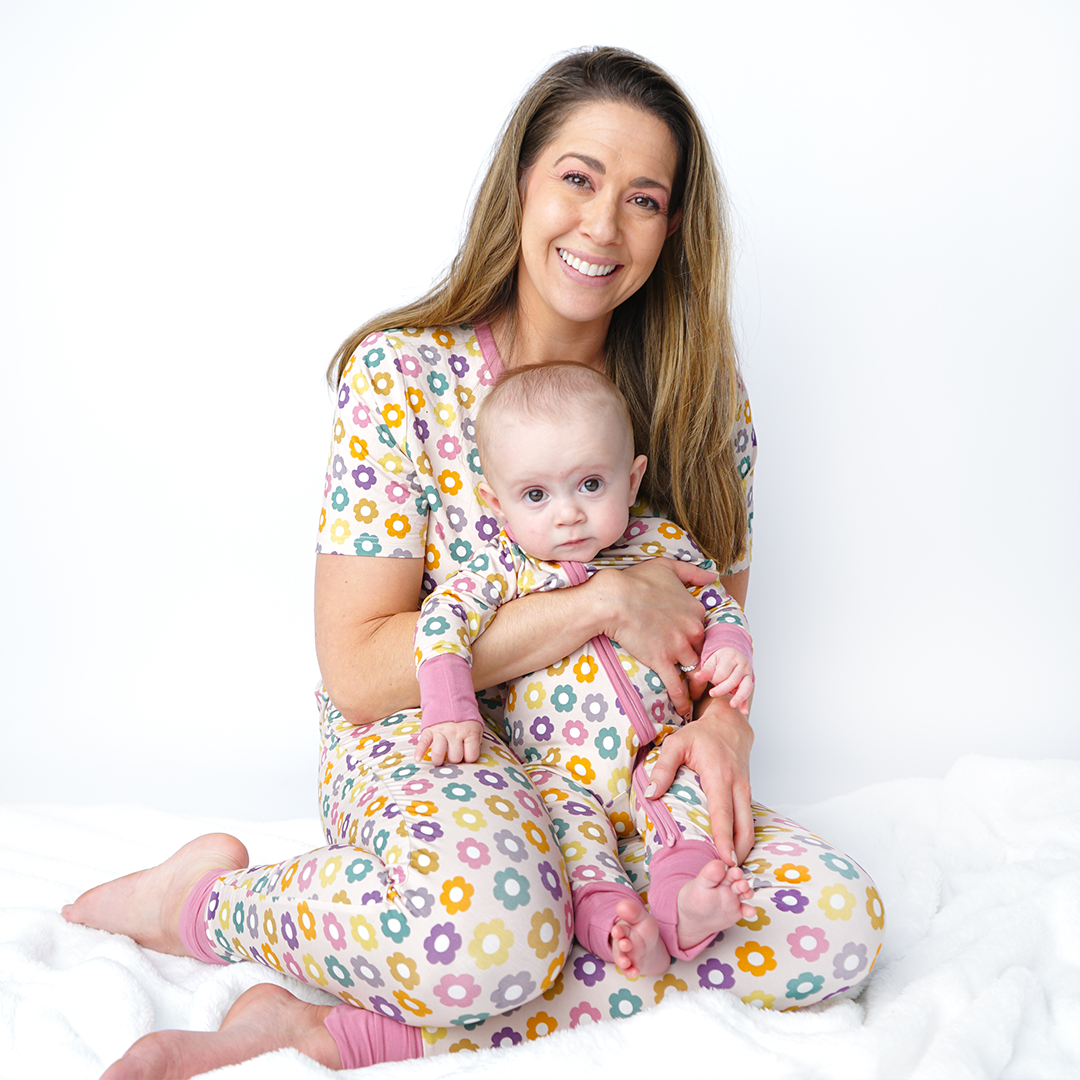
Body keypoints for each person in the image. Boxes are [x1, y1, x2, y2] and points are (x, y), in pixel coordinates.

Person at [62, 46, 885, 1078]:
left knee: (832, 927)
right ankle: (197, 905)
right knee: (495, 930)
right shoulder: (403, 376)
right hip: (435, 740)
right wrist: (600, 604)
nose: (601, 226)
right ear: (523, 184)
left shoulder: (700, 405)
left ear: (673, 228)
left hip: (619, 775)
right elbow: (360, 669)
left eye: (643, 199)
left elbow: (709, 632)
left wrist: (724, 728)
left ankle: (321, 1031)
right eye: (577, 179)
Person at [414, 361, 758, 979]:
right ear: (496, 503)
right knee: (573, 846)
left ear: (632, 480)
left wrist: (729, 648)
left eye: (591, 484)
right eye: (537, 496)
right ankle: (616, 927)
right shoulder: (506, 572)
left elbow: (714, 601)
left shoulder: (659, 546)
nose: (568, 514)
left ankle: (685, 904)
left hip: (656, 753)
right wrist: (450, 707)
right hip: (555, 772)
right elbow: (442, 621)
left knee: (687, 807)